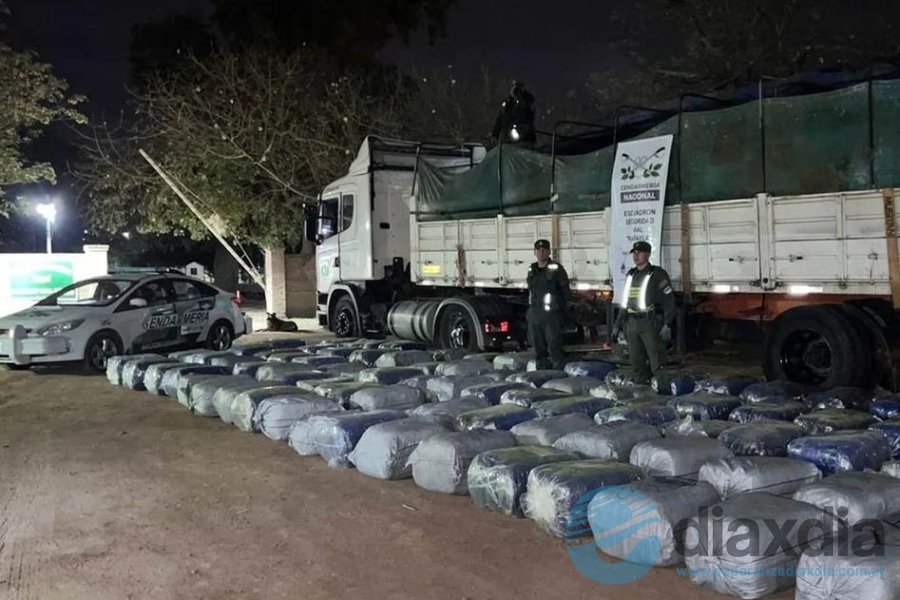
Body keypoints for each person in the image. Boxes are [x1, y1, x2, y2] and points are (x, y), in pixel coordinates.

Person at [613, 240, 676, 384]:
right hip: (632, 324)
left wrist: (667, 324)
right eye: (634, 253)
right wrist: (617, 325)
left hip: (650, 324)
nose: (636, 256)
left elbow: (669, 300)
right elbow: (625, 302)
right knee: (636, 361)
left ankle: (662, 389)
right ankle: (640, 393)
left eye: (639, 253)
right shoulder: (631, 275)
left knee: (656, 361)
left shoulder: (657, 274)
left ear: (647, 255)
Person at [527, 238, 570, 370]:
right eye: (539, 250)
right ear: (535, 252)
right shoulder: (532, 269)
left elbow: (565, 292)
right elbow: (531, 290)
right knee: (538, 347)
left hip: (551, 316)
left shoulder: (556, 269)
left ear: (549, 252)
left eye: (544, 250)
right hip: (536, 315)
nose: (541, 253)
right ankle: (542, 373)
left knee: (554, 347)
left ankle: (556, 375)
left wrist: (564, 313)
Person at [491, 80, 536, 147]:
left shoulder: (528, 101)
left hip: (523, 138)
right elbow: (501, 118)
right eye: (513, 86)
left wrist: (521, 100)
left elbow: (529, 117)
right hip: (507, 138)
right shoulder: (508, 103)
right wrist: (495, 133)